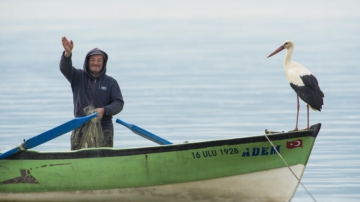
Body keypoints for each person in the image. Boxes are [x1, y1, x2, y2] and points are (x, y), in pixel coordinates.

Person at [60, 36, 124, 150]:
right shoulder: (77, 76)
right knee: (78, 161)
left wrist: (104, 110)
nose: (96, 63)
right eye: (92, 60)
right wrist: (67, 54)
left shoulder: (111, 82)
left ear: (103, 63)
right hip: (80, 127)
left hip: (104, 128)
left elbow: (118, 103)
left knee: (104, 161)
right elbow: (65, 68)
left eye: (99, 60)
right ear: (87, 62)